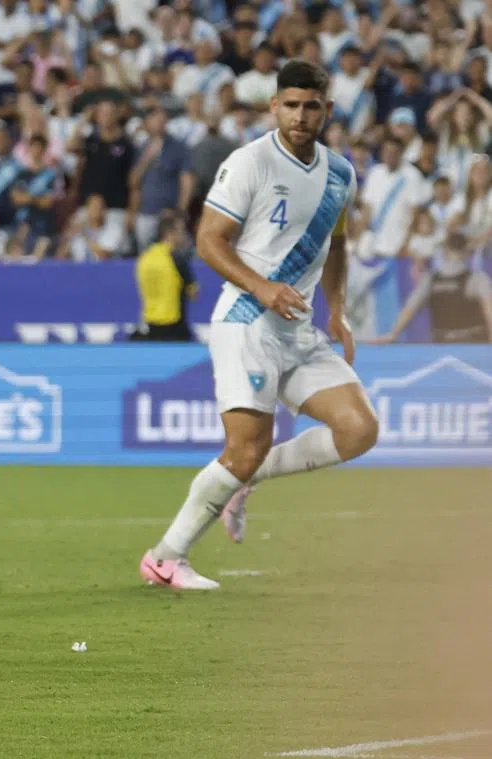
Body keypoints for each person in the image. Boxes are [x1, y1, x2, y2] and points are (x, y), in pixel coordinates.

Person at [139, 61, 379, 590]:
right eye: (290, 105)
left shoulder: (341, 173)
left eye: (310, 106)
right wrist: (262, 287)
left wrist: (337, 309)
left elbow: (336, 243)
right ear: (274, 106)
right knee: (243, 448)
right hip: (248, 321)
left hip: (299, 328)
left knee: (360, 429)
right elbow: (208, 241)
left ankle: (248, 483)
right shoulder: (250, 163)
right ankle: (165, 557)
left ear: (327, 111)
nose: (299, 115)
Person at [374, 231, 492, 344]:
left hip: (442, 344)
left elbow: (410, 308)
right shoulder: (478, 279)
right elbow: (489, 309)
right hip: (472, 344)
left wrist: (393, 334)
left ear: (445, 251)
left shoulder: (430, 279)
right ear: (467, 252)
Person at [132, 210, 198, 342]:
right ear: (170, 234)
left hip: (150, 323)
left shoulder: (145, 257)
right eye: (180, 231)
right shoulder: (177, 258)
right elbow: (193, 293)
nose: (184, 235)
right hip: (174, 326)